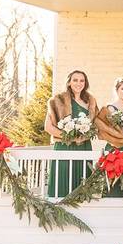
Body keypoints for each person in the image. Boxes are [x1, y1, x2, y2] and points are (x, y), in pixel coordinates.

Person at [44, 70, 99, 198]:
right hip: (64, 145)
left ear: (85, 83)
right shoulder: (58, 100)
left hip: (84, 147)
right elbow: (48, 127)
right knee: (61, 183)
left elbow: (97, 124)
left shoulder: (91, 101)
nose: (78, 83)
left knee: (82, 184)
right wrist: (70, 136)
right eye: (75, 80)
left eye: (82, 80)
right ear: (69, 82)